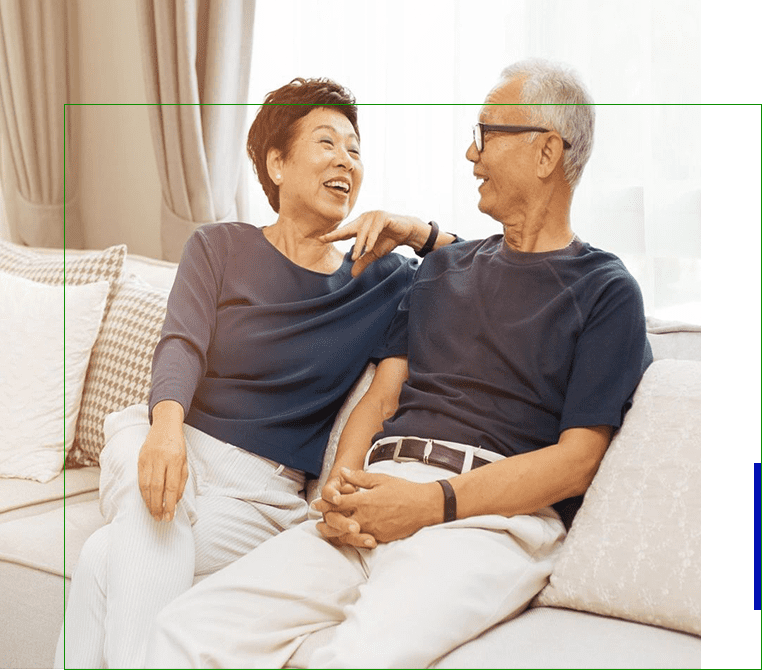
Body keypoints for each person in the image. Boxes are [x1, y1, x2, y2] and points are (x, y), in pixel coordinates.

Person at [143, 59, 653, 669]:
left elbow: (578, 460)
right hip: (375, 496)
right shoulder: (440, 270)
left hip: (483, 520)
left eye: (486, 134)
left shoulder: (605, 289)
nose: (471, 153)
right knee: (183, 631)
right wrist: (341, 486)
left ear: (546, 153)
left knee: (349, 658)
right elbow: (382, 399)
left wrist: (430, 504)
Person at [55, 77, 457, 669]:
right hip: (169, 437)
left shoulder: (384, 279)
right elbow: (181, 343)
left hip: (261, 495)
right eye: (326, 142)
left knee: (102, 558)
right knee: (151, 507)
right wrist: (165, 429)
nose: (346, 159)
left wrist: (418, 231)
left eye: (354, 148)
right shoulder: (218, 246)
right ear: (276, 163)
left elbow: (484, 273)